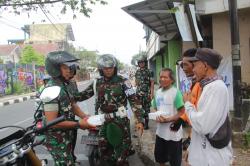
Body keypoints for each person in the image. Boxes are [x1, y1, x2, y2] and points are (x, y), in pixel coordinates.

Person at [74, 54, 144, 166]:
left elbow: (134, 100)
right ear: (101, 69)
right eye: (105, 68)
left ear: (114, 68)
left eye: (110, 68)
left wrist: (139, 120)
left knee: (122, 153)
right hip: (103, 121)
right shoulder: (97, 83)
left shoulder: (124, 82)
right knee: (105, 152)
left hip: (120, 121)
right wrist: (67, 91)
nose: (108, 70)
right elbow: (81, 96)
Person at [43, 51, 93, 165]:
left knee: (71, 160)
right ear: (55, 69)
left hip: (67, 133)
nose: (69, 71)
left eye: (69, 68)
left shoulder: (64, 85)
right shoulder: (51, 90)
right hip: (57, 138)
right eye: (65, 68)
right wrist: (79, 124)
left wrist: (85, 117)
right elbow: (52, 122)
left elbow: (72, 104)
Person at [183, 48, 232, 166]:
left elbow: (202, 125)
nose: (192, 69)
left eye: (194, 65)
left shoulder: (216, 88)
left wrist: (188, 104)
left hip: (211, 158)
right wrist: (191, 148)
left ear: (205, 66)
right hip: (203, 154)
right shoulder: (209, 86)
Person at [151, 68, 185, 166]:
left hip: (173, 133)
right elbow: (155, 107)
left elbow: (182, 112)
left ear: (172, 79)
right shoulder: (158, 92)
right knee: (160, 158)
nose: (162, 79)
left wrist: (168, 119)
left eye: (165, 77)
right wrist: (156, 115)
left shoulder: (176, 92)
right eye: (161, 77)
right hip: (160, 133)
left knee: (174, 162)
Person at [170, 48, 202, 150]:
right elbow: (193, 106)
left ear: (196, 64)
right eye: (182, 65)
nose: (183, 68)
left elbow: (199, 115)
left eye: (185, 64)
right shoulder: (195, 82)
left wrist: (192, 138)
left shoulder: (203, 85)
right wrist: (180, 120)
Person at [135, 55, 154, 129]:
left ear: (145, 63)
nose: (141, 64)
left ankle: (146, 123)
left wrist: (152, 93)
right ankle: (141, 123)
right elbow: (136, 82)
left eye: (142, 62)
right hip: (138, 93)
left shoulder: (149, 71)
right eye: (140, 62)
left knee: (146, 109)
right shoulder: (137, 72)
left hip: (146, 93)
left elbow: (152, 83)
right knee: (139, 109)